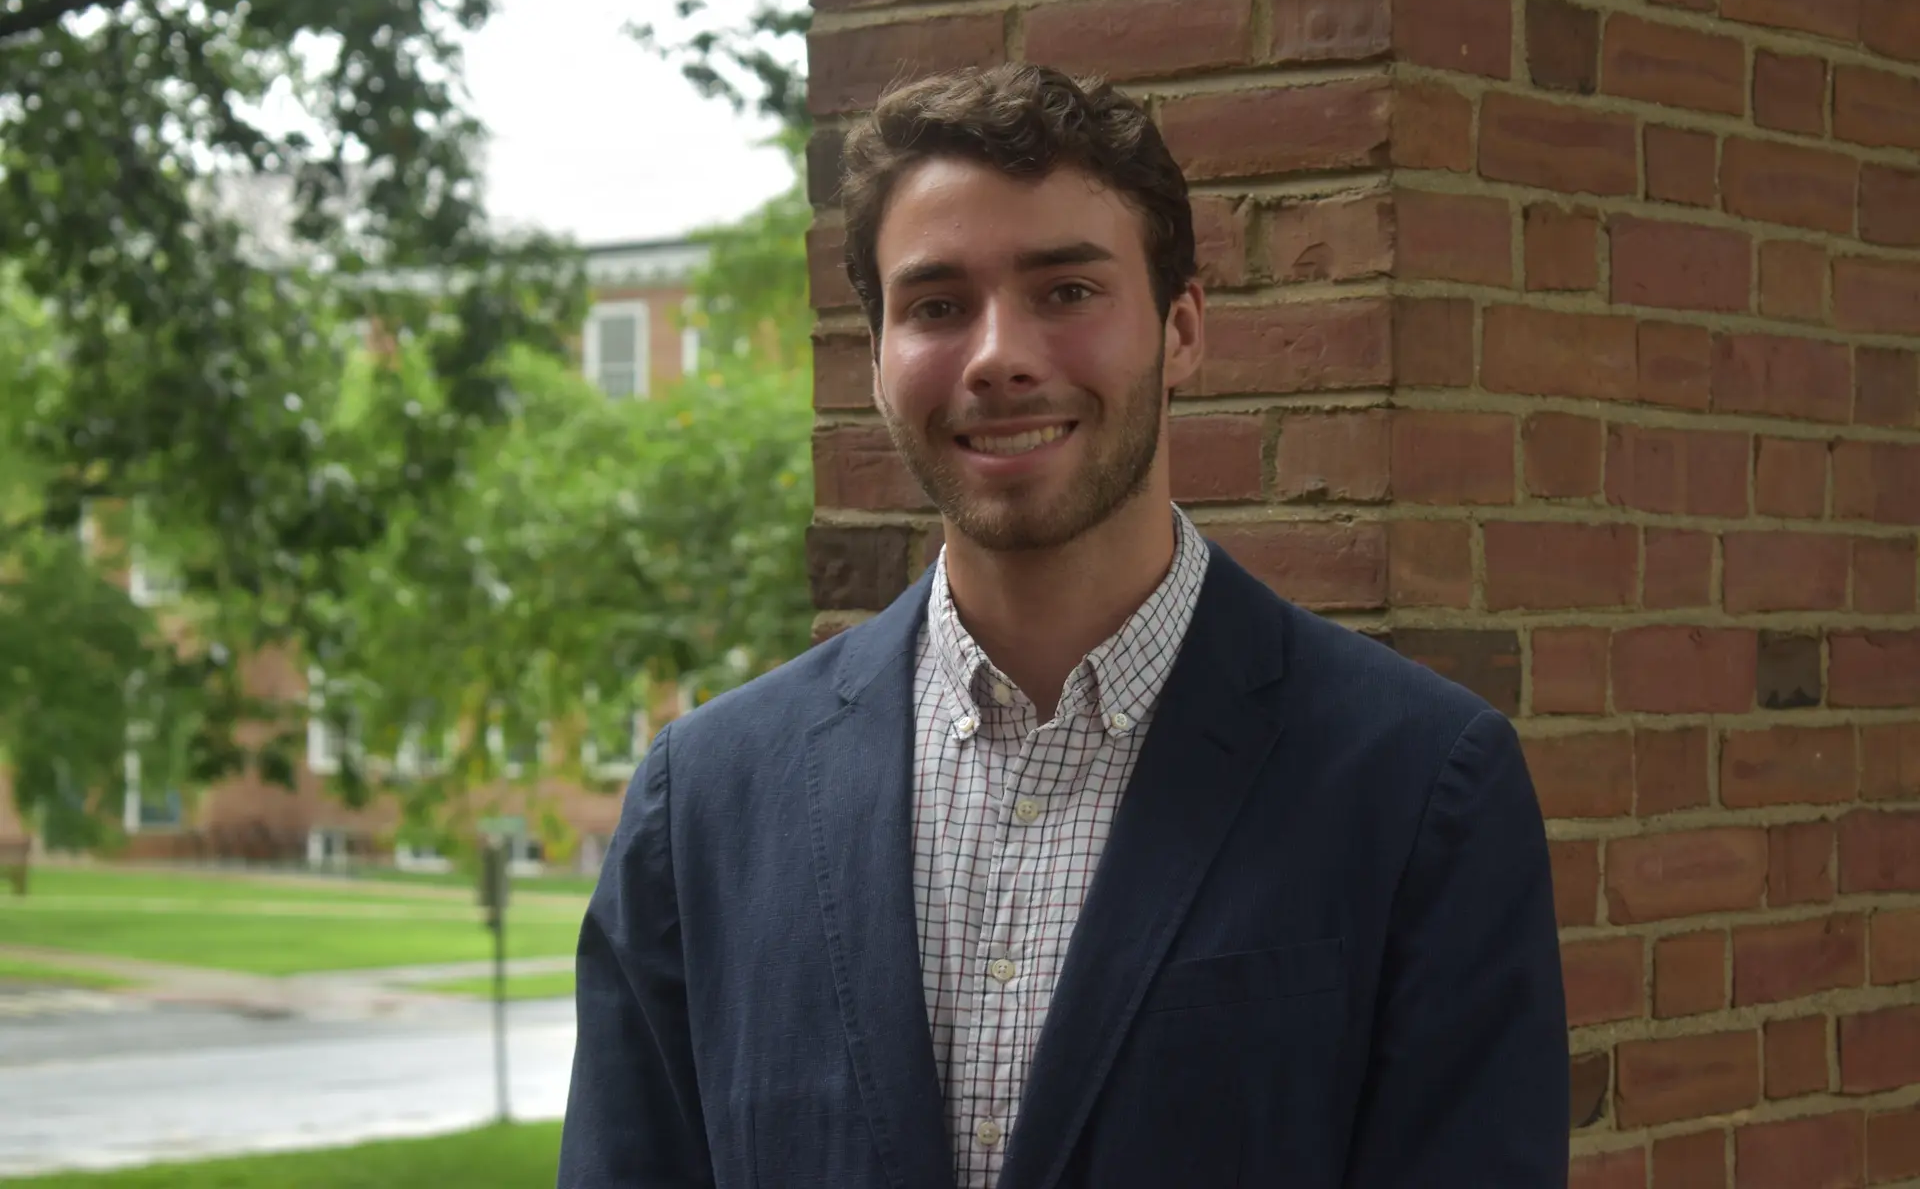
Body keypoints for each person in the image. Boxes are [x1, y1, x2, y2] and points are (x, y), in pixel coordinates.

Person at [559, 63, 1570, 1189]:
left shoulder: (1419, 785)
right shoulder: (703, 802)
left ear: (1182, 328)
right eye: (938, 305)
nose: (999, 355)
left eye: (1067, 290)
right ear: (878, 360)